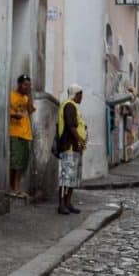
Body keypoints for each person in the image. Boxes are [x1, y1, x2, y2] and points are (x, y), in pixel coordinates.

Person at [57, 84, 87, 215]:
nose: (81, 97)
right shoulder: (69, 105)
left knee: (73, 178)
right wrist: (80, 138)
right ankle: (62, 204)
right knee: (66, 177)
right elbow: (70, 125)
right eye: (80, 94)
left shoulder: (74, 106)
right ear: (75, 94)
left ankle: (68, 203)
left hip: (75, 147)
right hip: (69, 146)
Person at [9, 74, 35, 195]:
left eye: (29, 86)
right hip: (15, 131)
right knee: (16, 162)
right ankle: (14, 188)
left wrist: (29, 95)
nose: (27, 87)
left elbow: (30, 110)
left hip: (26, 132)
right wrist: (14, 115)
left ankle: (16, 187)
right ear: (19, 84)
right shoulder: (11, 95)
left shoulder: (26, 97)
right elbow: (6, 111)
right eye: (25, 85)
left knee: (22, 162)